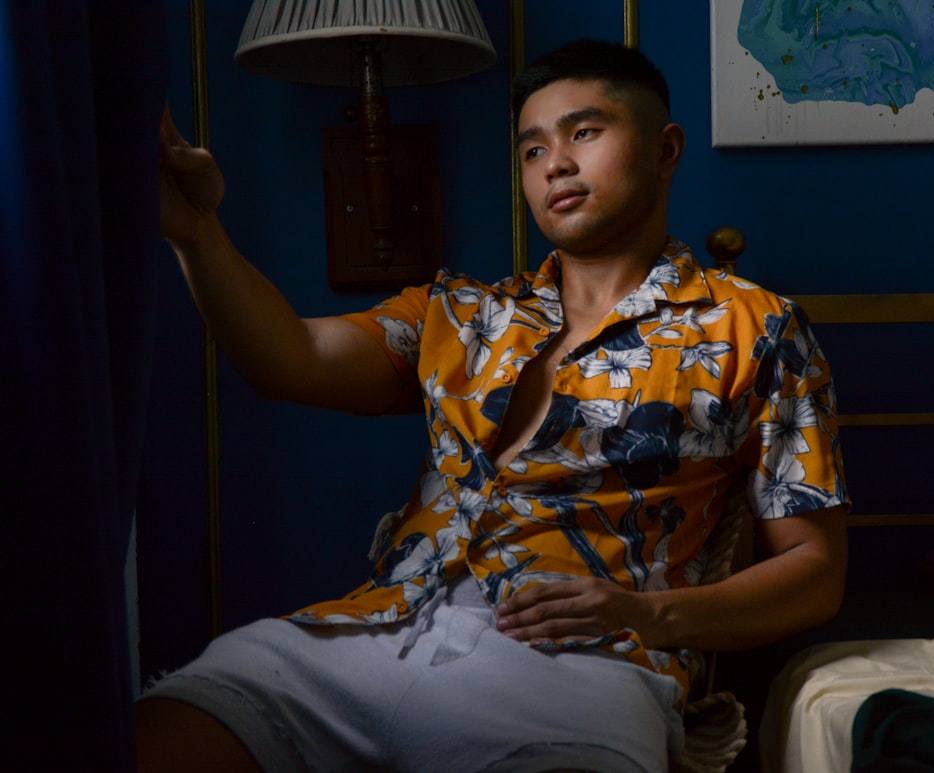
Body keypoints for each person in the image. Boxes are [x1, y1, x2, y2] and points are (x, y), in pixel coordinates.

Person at [140, 39, 849, 772]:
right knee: (148, 738)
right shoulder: (459, 313)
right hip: (370, 634)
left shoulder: (753, 327)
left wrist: (648, 614)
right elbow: (289, 359)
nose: (556, 165)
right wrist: (197, 234)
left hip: (581, 665)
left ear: (665, 149)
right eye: (533, 149)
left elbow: (814, 567)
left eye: (584, 133)